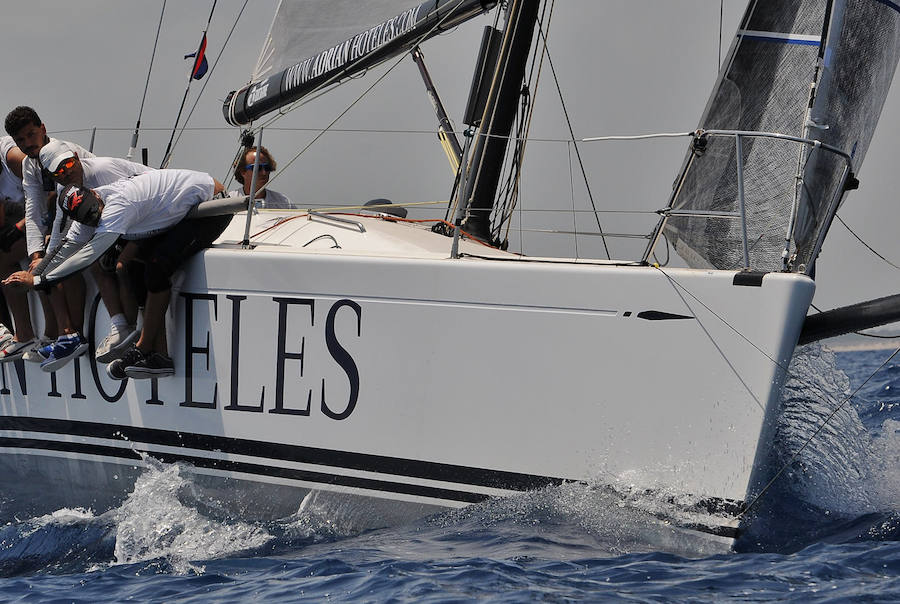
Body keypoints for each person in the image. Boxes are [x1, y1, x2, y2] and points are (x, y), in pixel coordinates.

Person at [4, 168, 231, 380]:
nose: (95, 218)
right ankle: (158, 355)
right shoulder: (86, 211)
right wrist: (34, 274)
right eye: (89, 219)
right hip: (175, 211)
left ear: (94, 195)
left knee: (157, 266)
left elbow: (89, 255)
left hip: (211, 205)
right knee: (130, 265)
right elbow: (64, 250)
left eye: (96, 213)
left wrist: (37, 280)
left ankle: (143, 347)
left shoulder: (119, 204)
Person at [37, 140, 151, 370]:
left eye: (69, 163)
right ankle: (118, 326)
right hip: (127, 220)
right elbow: (61, 226)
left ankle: (132, 326)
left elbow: (131, 202)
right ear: (54, 177)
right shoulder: (65, 188)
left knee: (107, 259)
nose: (66, 171)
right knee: (86, 262)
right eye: (59, 170)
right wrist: (44, 267)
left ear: (78, 158)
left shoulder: (102, 170)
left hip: (150, 212)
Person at [3, 106, 94, 362]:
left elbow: (64, 207)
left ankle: (71, 334)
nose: (28, 143)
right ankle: (62, 336)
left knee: (52, 266)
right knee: (41, 265)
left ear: (43, 129)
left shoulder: (61, 153)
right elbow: (33, 212)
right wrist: (36, 253)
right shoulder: (31, 164)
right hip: (74, 216)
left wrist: (46, 255)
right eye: (21, 140)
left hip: (96, 212)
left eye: (31, 135)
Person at [0, 135, 27, 350]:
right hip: (23, 220)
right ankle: (9, 329)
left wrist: (20, 227)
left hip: (56, 213)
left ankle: (23, 333)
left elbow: (52, 192)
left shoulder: (12, 157)